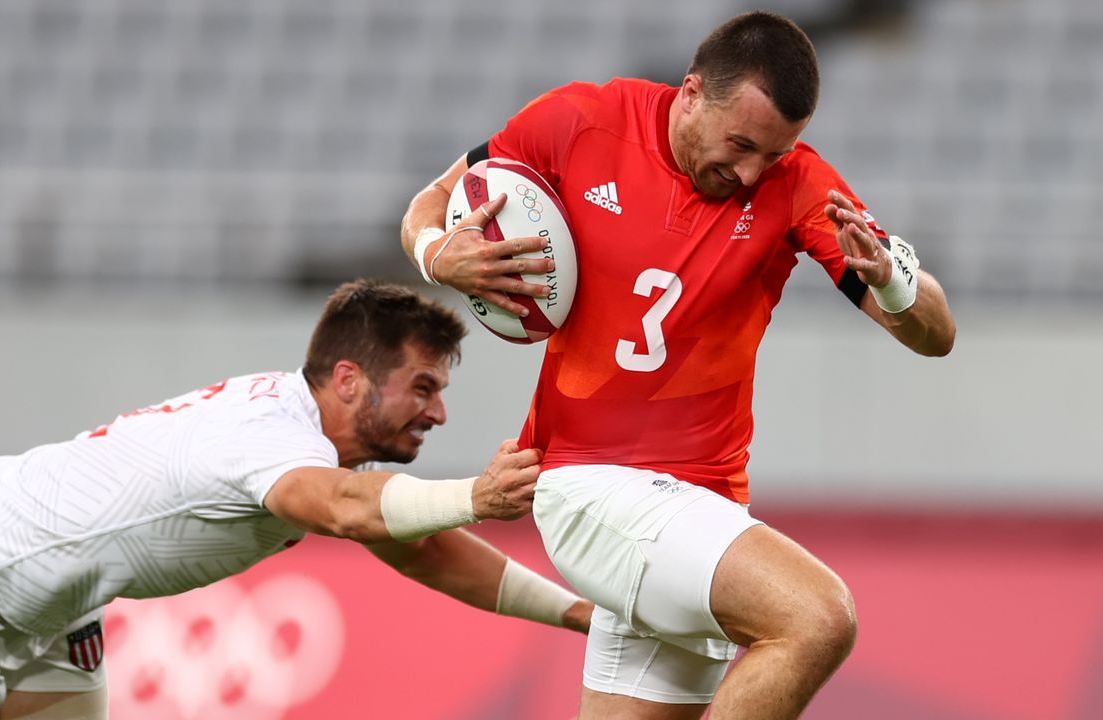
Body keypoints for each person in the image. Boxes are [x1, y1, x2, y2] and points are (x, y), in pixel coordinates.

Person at [401, 11, 955, 720]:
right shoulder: (582, 120)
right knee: (819, 618)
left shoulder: (797, 182)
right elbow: (435, 201)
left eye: (773, 153)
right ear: (691, 93)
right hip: (589, 484)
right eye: (742, 145)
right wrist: (434, 254)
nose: (753, 170)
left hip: (700, 510)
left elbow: (934, 334)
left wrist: (892, 281)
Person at [0, 279, 593, 720]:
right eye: (422, 388)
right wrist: (478, 494)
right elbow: (342, 508)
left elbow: (421, 545)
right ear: (347, 379)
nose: (436, 414)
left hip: (51, 602)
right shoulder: (270, 438)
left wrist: (576, 612)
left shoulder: (303, 432)